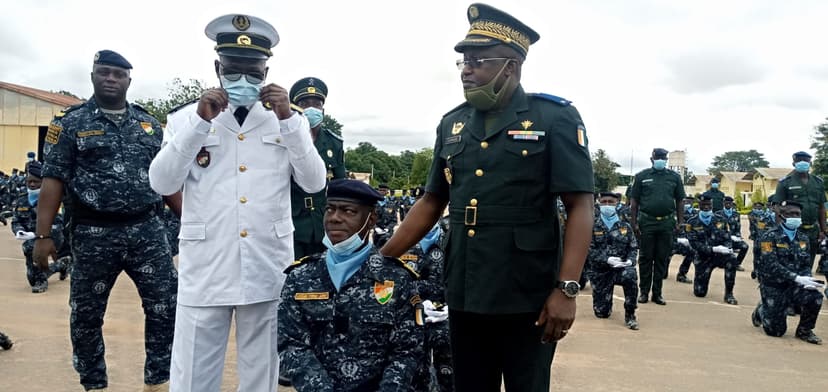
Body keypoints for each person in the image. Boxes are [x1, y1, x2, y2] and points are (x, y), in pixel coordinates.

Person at [379, 4, 595, 391]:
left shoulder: (554, 118)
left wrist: (567, 289)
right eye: (463, 61)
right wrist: (382, 258)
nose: (466, 69)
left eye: (477, 61)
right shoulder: (452, 123)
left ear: (510, 66)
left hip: (526, 291)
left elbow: (580, 205)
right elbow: (431, 201)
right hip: (465, 285)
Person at [148, 14, 326, 392]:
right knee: (194, 374)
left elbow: (313, 182)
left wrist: (289, 122)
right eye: (233, 70)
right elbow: (161, 181)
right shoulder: (185, 119)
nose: (243, 80)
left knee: (261, 375)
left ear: (266, 72)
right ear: (217, 67)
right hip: (207, 264)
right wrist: (199, 123)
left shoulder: (286, 120)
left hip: (266, 263)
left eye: (253, 72)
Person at [34, 49, 179, 392]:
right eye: (104, 72)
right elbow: (52, 181)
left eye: (118, 73)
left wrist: (193, 220)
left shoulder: (148, 125)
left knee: (166, 308)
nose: (111, 79)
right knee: (86, 316)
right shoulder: (69, 124)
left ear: (129, 79)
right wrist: (42, 236)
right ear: (92, 76)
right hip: (93, 233)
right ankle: (94, 384)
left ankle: (158, 381)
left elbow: (167, 180)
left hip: (147, 231)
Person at [278, 179, 424, 391]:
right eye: (330, 209)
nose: (335, 218)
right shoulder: (300, 277)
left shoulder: (398, 278)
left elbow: (408, 351)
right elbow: (291, 345)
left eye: (348, 211)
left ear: (371, 219)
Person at [289, 76, 346, 259]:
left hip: (324, 223)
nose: (311, 108)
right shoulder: (285, 139)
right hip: (293, 223)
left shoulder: (334, 143)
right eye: (304, 103)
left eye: (317, 103)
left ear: (323, 108)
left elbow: (340, 186)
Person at [752, 200, 824, 344]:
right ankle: (761, 311)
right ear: (781, 215)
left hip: (795, 285)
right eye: (791, 214)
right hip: (774, 286)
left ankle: (804, 330)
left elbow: (805, 264)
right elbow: (771, 264)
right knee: (776, 331)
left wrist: (807, 280)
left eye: (798, 214)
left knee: (815, 297)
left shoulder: (803, 238)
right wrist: (796, 277)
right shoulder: (769, 236)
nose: (795, 217)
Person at [400, 219, 453, 392]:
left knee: (449, 373)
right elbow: (393, 282)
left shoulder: (451, 242)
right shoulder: (401, 243)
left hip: (447, 319)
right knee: (415, 374)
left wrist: (451, 306)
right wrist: (415, 302)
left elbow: (466, 278)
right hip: (411, 318)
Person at [629, 148, 685, 305]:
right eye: (658, 157)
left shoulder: (674, 177)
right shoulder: (642, 176)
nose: (661, 159)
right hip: (647, 222)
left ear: (666, 159)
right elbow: (634, 202)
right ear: (651, 158)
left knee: (662, 258)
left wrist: (680, 222)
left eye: (663, 157)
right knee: (646, 258)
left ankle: (657, 293)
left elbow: (680, 200)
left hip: (667, 223)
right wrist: (634, 223)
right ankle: (644, 292)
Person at [10, 161, 69, 293]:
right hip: (32, 238)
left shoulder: (55, 198)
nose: (31, 184)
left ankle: (42, 280)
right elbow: (16, 220)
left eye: (36, 181)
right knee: (31, 277)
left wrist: (40, 235)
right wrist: (19, 231)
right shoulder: (22, 199)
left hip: (53, 236)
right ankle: (61, 265)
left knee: (30, 248)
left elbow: (59, 223)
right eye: (29, 181)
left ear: (43, 182)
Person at [586, 192, 639, 330]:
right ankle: (604, 304)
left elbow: (633, 247)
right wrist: (606, 259)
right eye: (604, 202)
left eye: (611, 202)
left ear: (617, 204)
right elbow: (587, 250)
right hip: (600, 271)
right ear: (598, 202)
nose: (607, 205)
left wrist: (630, 261)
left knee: (630, 275)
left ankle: (630, 314)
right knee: (602, 313)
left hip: (620, 268)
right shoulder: (591, 224)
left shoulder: (625, 225)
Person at [774, 151, 827, 271]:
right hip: (793, 229)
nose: (802, 163)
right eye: (799, 160)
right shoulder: (785, 183)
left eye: (806, 161)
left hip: (813, 230)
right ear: (794, 163)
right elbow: (777, 207)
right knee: (791, 261)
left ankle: (805, 282)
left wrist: (824, 230)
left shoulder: (818, 183)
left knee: (809, 262)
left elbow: (821, 207)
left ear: (810, 163)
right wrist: (779, 229)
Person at [685, 196, 739, 305]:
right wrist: (712, 249)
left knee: (732, 260)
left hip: (719, 256)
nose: (706, 207)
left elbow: (727, 238)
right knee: (700, 293)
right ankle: (701, 283)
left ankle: (729, 294)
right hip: (703, 257)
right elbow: (694, 243)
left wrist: (727, 249)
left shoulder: (721, 220)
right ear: (698, 205)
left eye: (708, 205)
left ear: (712, 205)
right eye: (703, 204)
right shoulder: (692, 222)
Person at [721, 196, 749, 271]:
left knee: (745, 246)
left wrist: (738, 237)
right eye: (726, 203)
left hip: (733, 238)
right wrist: (728, 236)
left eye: (729, 203)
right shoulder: (718, 214)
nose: (728, 205)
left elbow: (738, 227)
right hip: (722, 239)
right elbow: (717, 229)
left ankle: (737, 264)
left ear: (732, 204)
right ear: (723, 203)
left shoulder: (736, 214)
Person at [674, 196, 697, 284]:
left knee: (692, 252)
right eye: (685, 202)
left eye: (690, 202)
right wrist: (677, 239)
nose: (687, 204)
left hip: (687, 242)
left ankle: (682, 274)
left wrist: (690, 240)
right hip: (674, 242)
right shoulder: (674, 213)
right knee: (663, 274)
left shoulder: (696, 214)